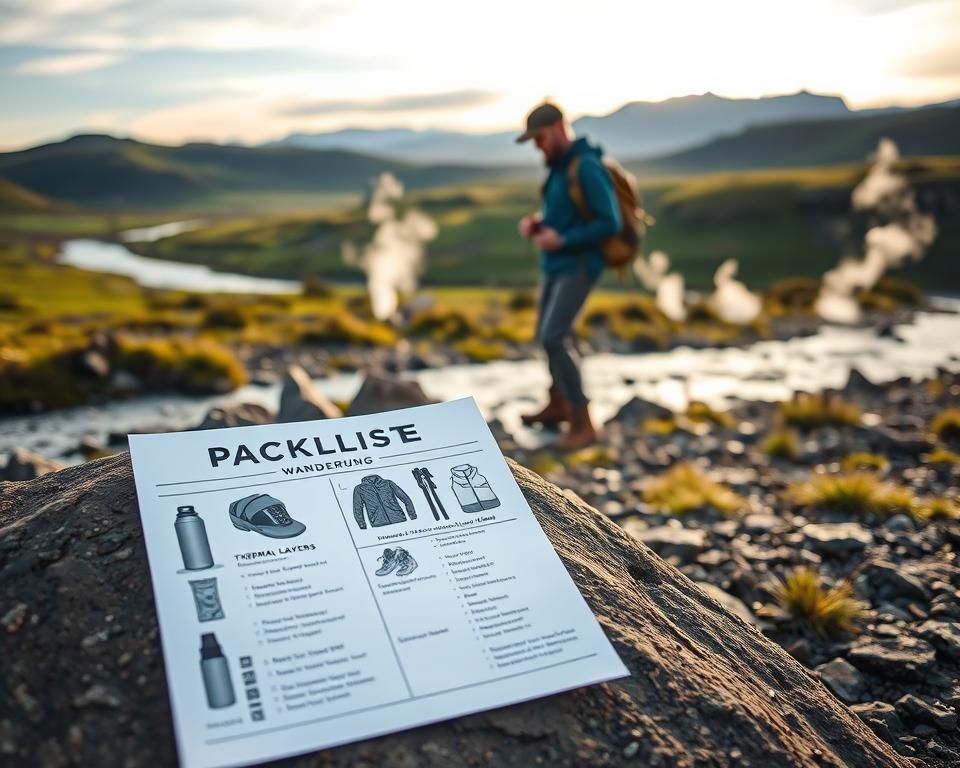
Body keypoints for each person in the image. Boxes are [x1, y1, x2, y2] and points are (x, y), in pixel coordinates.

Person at [517, 101, 621, 450]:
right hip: (556, 266)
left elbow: (610, 222)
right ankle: (559, 403)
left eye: (540, 138)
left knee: (554, 337)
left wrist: (563, 239)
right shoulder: (560, 168)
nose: (537, 146)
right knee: (550, 336)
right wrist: (541, 225)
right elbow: (566, 214)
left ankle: (584, 422)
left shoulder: (586, 165)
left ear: (559, 128)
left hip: (578, 266)